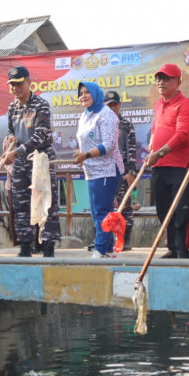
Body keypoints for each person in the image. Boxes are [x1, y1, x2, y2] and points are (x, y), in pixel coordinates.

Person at [1, 66, 61, 257]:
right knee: (20, 204)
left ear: (28, 82)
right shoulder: (13, 107)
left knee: (46, 202)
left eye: (19, 83)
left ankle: (48, 245)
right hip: (20, 162)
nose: (15, 88)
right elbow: (11, 130)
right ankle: (25, 245)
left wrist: (17, 152)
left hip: (40, 160)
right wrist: (11, 139)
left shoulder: (40, 105)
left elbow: (39, 136)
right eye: (12, 85)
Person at [146, 63, 189, 259]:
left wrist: (159, 152)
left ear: (178, 82)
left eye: (166, 79)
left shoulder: (185, 105)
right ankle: (173, 247)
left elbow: (183, 134)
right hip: (159, 166)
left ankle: (182, 249)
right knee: (163, 209)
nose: (161, 82)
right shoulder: (159, 104)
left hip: (179, 166)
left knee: (181, 210)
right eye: (159, 79)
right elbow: (155, 128)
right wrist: (152, 143)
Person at [73, 82, 123, 258]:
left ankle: (100, 249)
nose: (83, 96)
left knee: (103, 210)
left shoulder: (106, 114)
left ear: (95, 93)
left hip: (107, 169)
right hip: (91, 170)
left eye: (87, 92)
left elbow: (109, 145)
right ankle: (108, 248)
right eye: (80, 93)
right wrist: (83, 157)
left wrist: (86, 155)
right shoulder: (85, 115)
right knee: (95, 212)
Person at [106, 91, 137, 251]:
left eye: (114, 104)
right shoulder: (101, 123)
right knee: (106, 204)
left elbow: (132, 149)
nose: (112, 108)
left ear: (119, 105)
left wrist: (131, 171)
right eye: (108, 105)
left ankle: (125, 239)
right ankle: (105, 239)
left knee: (125, 205)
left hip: (123, 171)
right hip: (105, 171)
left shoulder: (126, 125)